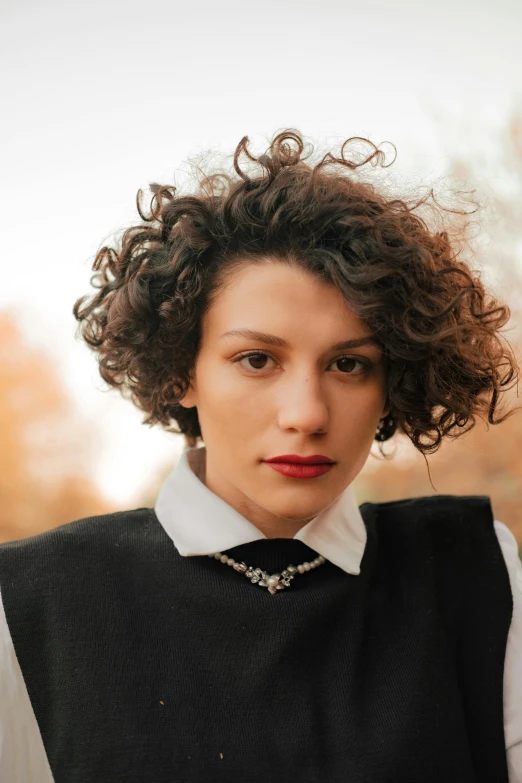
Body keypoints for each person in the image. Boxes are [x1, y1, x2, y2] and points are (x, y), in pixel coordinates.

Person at [0, 129, 521, 783]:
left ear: (392, 381)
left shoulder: (478, 572)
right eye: (256, 359)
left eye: (349, 364)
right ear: (181, 371)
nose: (306, 412)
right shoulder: (27, 601)